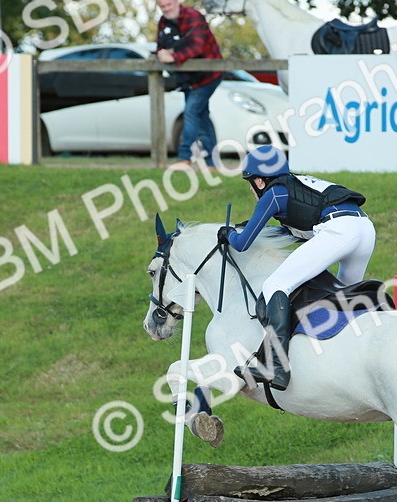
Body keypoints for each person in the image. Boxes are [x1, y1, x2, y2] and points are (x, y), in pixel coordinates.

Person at [221, 145, 376, 391]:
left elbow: (241, 244)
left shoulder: (273, 194)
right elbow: (294, 231)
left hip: (339, 230)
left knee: (275, 285)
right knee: (344, 298)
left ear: (260, 181)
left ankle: (276, 366)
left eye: (250, 183)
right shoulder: (295, 185)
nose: (251, 189)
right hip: (365, 228)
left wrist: (228, 232)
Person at [156, 0, 224, 168]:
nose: (166, 9)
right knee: (202, 118)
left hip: (209, 75)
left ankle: (184, 158)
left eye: (169, 5)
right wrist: (161, 53)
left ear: (177, 2)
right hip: (188, 78)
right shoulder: (163, 22)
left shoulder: (194, 17)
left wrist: (173, 57)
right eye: (162, 6)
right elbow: (161, 46)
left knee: (191, 112)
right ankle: (212, 163)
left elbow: (197, 47)